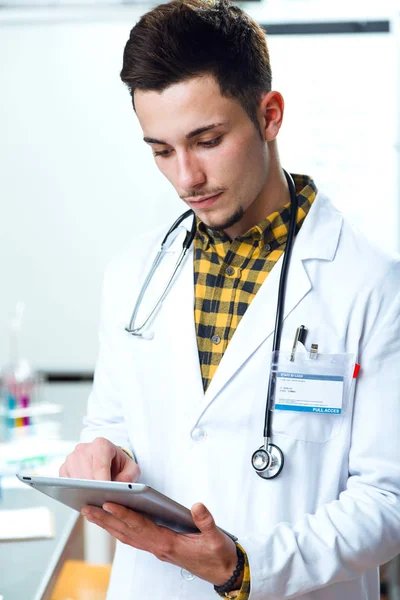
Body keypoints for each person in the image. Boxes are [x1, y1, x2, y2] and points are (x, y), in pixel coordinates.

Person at [59, 0, 400, 598]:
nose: (187, 177)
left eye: (208, 140)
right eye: (162, 151)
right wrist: (103, 456)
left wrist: (246, 566)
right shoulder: (134, 274)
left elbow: (388, 499)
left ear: (269, 116)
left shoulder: (370, 283)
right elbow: (112, 423)